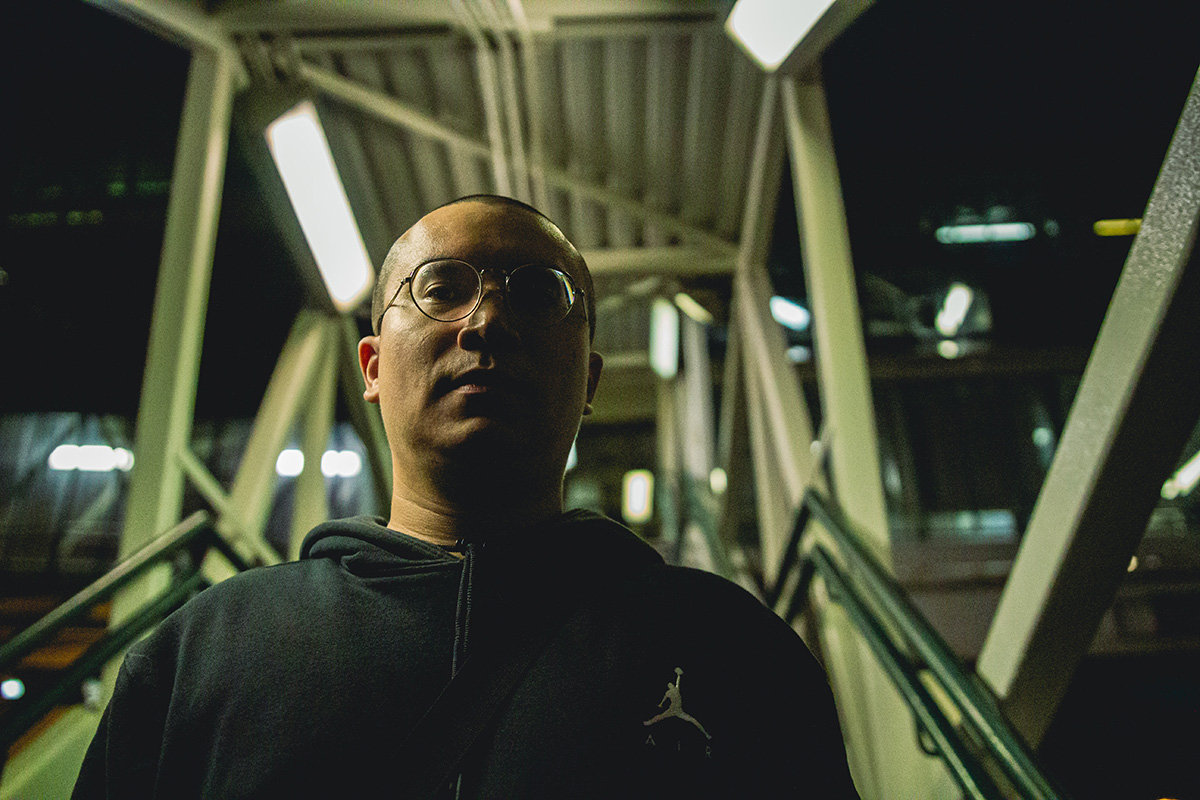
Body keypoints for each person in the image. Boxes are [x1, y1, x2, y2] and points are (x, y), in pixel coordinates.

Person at [73, 195, 860, 798]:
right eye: (441, 287)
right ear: (372, 367)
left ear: (589, 380)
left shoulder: (730, 648)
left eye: (538, 296)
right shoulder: (203, 652)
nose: (486, 321)